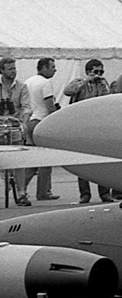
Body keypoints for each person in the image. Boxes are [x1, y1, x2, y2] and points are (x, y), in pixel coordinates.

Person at [63, 58, 113, 203]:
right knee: (82, 162)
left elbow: (108, 99)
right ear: (88, 72)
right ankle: (85, 194)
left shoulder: (103, 84)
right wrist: (86, 81)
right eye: (96, 72)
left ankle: (105, 193)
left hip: (99, 128)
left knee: (103, 162)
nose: (99, 74)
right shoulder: (79, 82)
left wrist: (102, 83)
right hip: (81, 128)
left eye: (101, 71)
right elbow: (68, 91)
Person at [21, 57, 61, 201]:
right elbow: (50, 106)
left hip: (30, 121)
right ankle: (44, 192)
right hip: (42, 122)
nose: (55, 70)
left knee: (33, 160)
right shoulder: (46, 83)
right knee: (46, 159)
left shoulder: (28, 81)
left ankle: (20, 187)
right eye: (52, 67)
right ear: (44, 68)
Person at [0, 57, 31, 205]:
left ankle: (21, 193)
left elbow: (26, 107)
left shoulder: (22, 86)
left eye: (14, 68)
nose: (13, 71)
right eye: (10, 69)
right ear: (2, 70)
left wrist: (24, 122)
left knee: (19, 160)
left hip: (14, 125)